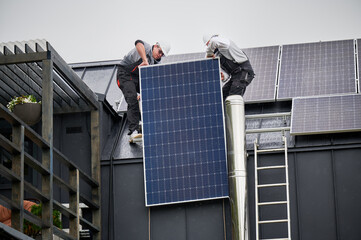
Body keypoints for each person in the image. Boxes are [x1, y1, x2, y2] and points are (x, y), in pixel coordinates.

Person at [117, 40, 171, 143]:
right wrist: (144, 59)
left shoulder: (155, 63)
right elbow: (138, 43)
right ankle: (133, 131)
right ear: (155, 46)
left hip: (136, 79)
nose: (160, 55)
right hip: (124, 74)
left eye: (162, 54)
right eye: (159, 51)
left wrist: (144, 93)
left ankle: (149, 125)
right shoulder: (146, 47)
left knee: (151, 94)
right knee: (132, 98)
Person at [203, 34, 255, 99]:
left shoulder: (225, 43)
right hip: (235, 76)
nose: (209, 46)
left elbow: (213, 41)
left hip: (243, 71)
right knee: (223, 96)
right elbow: (227, 74)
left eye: (209, 44)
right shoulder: (218, 55)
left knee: (233, 97)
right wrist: (223, 76)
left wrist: (209, 54)